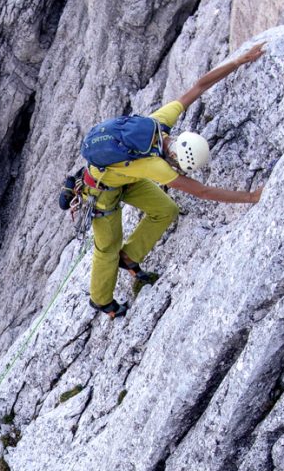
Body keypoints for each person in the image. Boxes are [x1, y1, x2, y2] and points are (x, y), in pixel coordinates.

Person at [76, 43, 267, 318]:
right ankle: (102, 300)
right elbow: (202, 192)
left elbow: (198, 87)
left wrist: (239, 61)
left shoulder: (159, 124)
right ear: (177, 158)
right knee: (107, 246)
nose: (181, 172)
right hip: (102, 191)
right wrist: (251, 197)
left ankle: (129, 257)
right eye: (181, 167)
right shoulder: (157, 166)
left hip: (126, 177)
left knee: (166, 209)